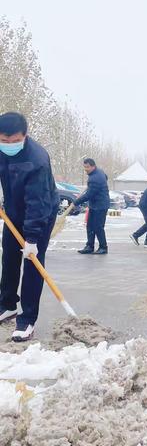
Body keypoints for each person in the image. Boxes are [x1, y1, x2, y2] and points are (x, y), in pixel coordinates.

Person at [0, 112, 59, 342]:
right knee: (10, 257)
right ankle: (7, 305)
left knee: (32, 262)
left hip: (40, 214)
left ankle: (27, 320)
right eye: (4, 141)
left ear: (25, 135)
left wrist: (32, 239)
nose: (9, 146)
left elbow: (39, 202)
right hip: (13, 211)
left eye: (14, 141)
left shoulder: (37, 160)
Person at [74, 158, 110, 254]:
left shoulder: (95, 178)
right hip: (95, 204)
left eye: (87, 167)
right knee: (90, 225)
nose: (86, 169)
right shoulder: (98, 172)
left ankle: (103, 247)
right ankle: (89, 246)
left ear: (93, 166)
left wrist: (75, 202)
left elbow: (89, 195)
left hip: (101, 205)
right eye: (84, 167)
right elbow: (106, 177)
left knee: (98, 226)